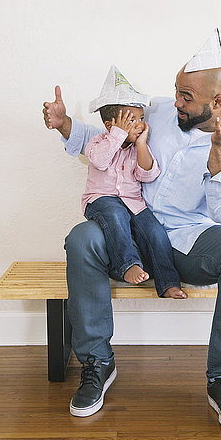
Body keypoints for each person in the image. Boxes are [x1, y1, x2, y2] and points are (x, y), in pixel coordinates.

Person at [42, 28, 221, 431]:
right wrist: (65, 127)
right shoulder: (159, 110)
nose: (175, 102)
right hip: (126, 230)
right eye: (177, 91)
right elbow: (108, 136)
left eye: (186, 97)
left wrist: (219, 158)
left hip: (186, 241)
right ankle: (97, 363)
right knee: (81, 238)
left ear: (217, 101)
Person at [81, 65, 187, 299]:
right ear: (111, 125)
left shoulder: (136, 150)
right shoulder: (98, 143)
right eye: (132, 120)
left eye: (141, 118)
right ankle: (128, 266)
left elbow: (147, 174)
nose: (139, 124)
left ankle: (168, 282)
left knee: (155, 232)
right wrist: (117, 135)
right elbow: (99, 161)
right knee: (116, 217)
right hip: (101, 201)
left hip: (133, 203)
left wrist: (140, 145)